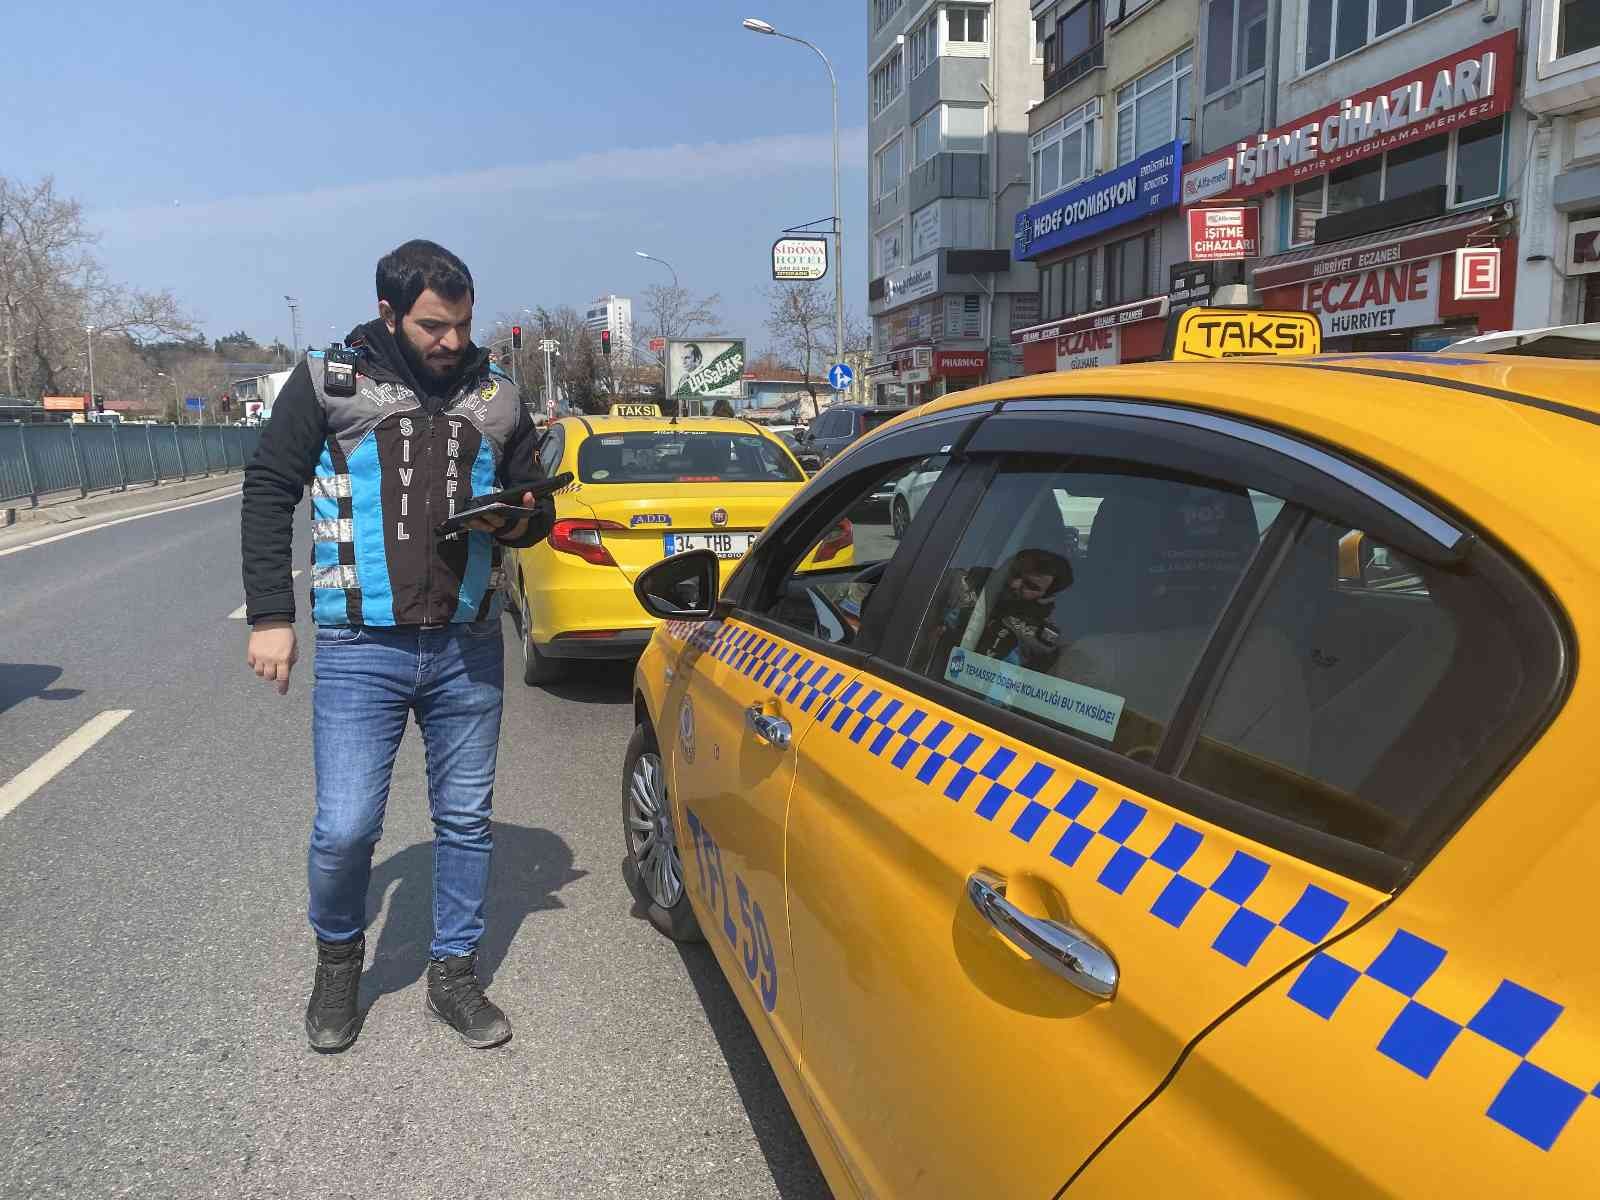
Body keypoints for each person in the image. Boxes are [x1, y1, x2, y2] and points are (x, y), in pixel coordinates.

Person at [240, 240, 549, 1053]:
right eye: (433, 326)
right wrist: (271, 615)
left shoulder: (499, 394)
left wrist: (521, 517)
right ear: (389, 313)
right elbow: (269, 488)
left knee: (466, 819)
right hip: (358, 645)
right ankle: (339, 962)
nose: (452, 341)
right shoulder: (329, 381)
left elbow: (532, 506)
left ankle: (453, 973)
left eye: (463, 324)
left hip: (468, 643)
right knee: (345, 829)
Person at [932, 547, 1073, 672]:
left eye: (1030, 585)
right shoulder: (961, 583)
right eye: (1015, 573)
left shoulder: (1039, 641)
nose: (1014, 584)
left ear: (1047, 597)